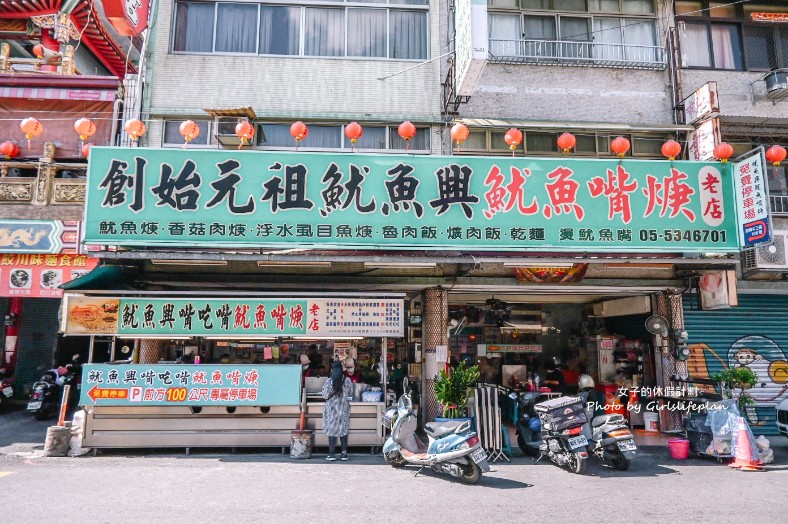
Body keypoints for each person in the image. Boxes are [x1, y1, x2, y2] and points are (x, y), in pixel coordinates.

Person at [322, 361, 353, 461]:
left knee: (332, 431)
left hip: (332, 410)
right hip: (343, 409)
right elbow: (350, 392)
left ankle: (332, 455)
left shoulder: (329, 381)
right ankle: (344, 455)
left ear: (332, 370)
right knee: (343, 430)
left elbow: (325, 395)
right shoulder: (347, 380)